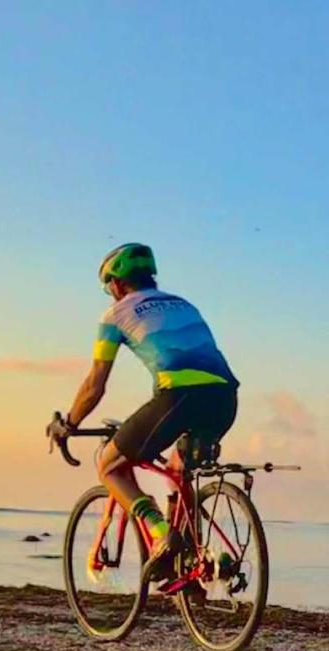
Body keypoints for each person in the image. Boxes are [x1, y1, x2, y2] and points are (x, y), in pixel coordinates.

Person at [47, 243, 238, 579]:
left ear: (118, 284)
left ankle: (161, 532)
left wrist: (69, 424)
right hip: (225, 398)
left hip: (179, 397)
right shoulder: (184, 304)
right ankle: (193, 567)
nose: (110, 295)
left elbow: (95, 385)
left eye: (108, 288)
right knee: (179, 470)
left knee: (109, 465)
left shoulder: (115, 315)